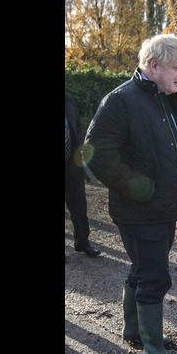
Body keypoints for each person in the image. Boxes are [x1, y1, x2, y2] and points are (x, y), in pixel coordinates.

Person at [84, 34, 177, 354]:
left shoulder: (166, 97)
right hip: (139, 209)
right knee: (155, 275)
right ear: (154, 65)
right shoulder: (120, 101)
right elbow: (95, 153)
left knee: (144, 267)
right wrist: (136, 185)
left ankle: (134, 331)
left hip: (163, 208)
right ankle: (153, 350)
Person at [65, 90, 101, 259]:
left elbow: (77, 124)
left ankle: (82, 241)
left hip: (71, 161)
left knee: (79, 204)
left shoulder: (68, 98)